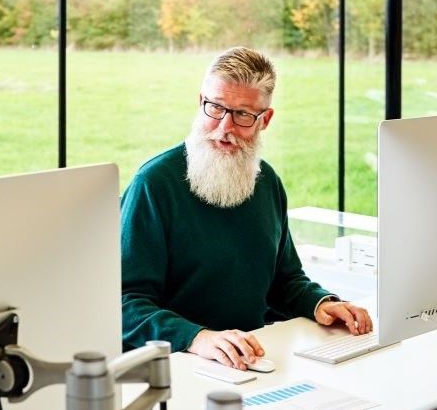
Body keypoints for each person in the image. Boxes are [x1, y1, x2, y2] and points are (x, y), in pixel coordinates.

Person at [121, 46, 372, 369]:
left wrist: (320, 302)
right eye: (215, 108)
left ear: (264, 119)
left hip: (253, 357)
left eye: (242, 115)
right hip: (178, 362)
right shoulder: (154, 184)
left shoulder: (267, 182)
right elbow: (125, 302)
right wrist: (199, 337)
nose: (225, 127)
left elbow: (285, 280)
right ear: (201, 102)